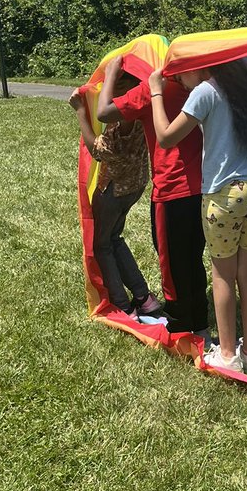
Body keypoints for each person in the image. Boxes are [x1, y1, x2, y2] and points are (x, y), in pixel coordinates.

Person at [148, 59, 247, 374]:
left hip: (225, 195)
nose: (179, 79)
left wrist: (156, 94)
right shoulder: (242, 86)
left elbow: (165, 137)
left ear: (200, 65)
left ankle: (227, 354)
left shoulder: (204, 91)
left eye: (181, 72)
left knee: (222, 275)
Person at [96, 56, 209, 339]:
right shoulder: (197, 84)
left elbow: (105, 111)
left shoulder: (152, 89)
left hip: (172, 189)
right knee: (193, 258)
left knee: (171, 262)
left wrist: (110, 74)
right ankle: (201, 325)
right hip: (204, 187)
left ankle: (182, 327)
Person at [69, 74, 162, 318]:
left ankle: (123, 304)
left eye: (117, 87)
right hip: (135, 185)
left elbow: (97, 151)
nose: (109, 93)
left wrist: (80, 110)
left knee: (102, 245)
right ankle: (144, 297)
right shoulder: (148, 105)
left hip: (114, 189)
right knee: (114, 238)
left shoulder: (122, 120)